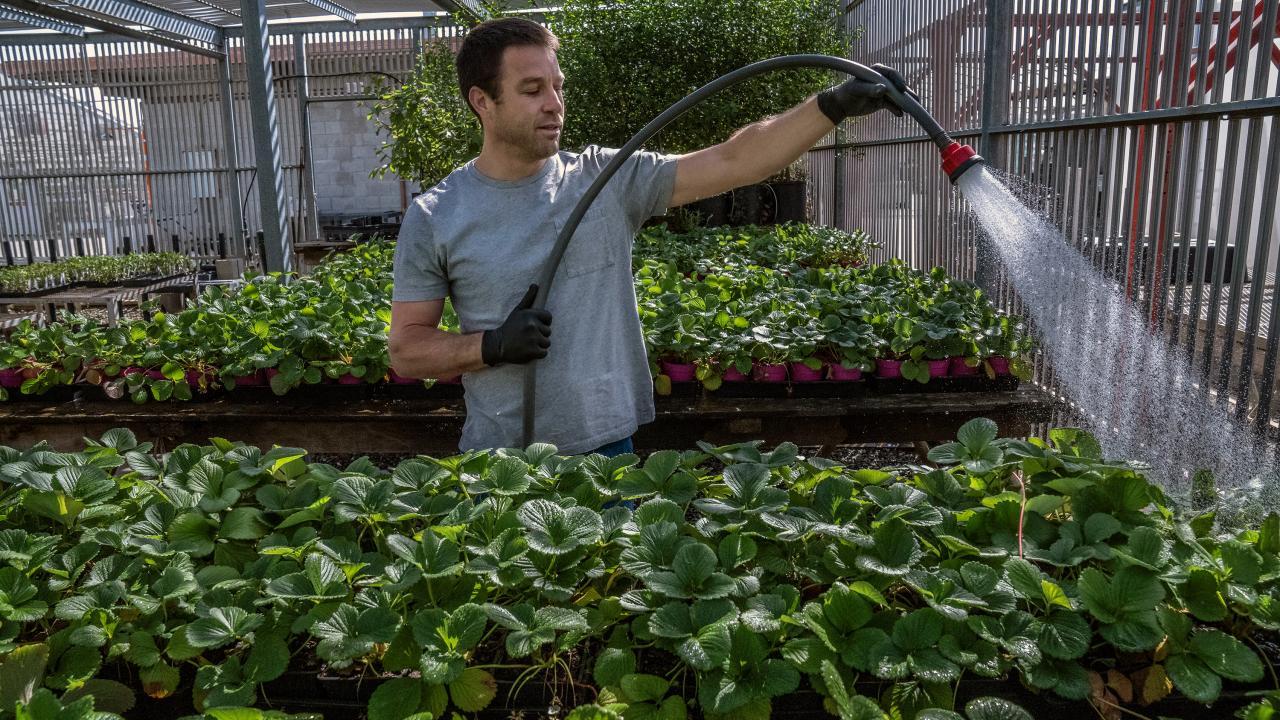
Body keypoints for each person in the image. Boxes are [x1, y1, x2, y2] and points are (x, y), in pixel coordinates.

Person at [388, 17, 910, 457]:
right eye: (531, 90)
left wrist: (829, 107)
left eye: (557, 86)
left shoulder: (605, 180)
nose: (554, 103)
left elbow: (735, 159)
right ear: (483, 101)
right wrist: (492, 345)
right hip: (501, 457)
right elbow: (407, 351)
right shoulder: (438, 214)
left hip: (608, 446)